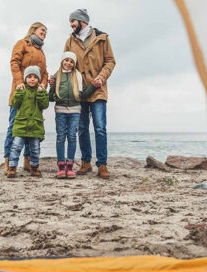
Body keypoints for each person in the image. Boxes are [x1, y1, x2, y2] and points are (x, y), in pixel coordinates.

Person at [63, 9, 116, 179]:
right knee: (82, 128)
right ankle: (86, 162)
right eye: (70, 21)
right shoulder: (70, 41)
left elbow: (110, 61)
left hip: (98, 90)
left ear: (82, 21)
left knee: (100, 128)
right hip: (79, 91)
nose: (71, 24)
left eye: (73, 21)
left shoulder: (102, 38)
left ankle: (102, 164)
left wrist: (101, 77)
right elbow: (65, 63)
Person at [5, 22, 48, 175]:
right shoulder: (22, 44)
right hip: (20, 93)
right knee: (14, 128)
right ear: (33, 30)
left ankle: (28, 162)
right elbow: (14, 63)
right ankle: (8, 163)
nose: (44, 33)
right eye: (42, 30)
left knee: (32, 131)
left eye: (46, 32)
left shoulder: (41, 51)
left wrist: (43, 86)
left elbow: (45, 74)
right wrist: (19, 83)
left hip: (35, 98)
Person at [48, 52, 97, 179]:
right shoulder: (56, 76)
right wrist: (51, 86)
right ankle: (60, 166)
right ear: (62, 61)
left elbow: (83, 94)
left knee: (72, 137)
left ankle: (69, 166)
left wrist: (93, 86)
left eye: (71, 61)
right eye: (66, 60)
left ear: (74, 64)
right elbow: (50, 98)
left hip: (75, 111)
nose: (68, 63)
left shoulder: (78, 76)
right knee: (60, 137)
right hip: (60, 111)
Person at [7, 66, 49, 178]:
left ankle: (34, 168)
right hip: (21, 125)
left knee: (35, 149)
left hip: (35, 126)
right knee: (16, 147)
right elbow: (15, 104)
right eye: (29, 77)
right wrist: (18, 92)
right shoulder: (21, 90)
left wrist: (41, 93)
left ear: (39, 79)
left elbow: (45, 105)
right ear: (25, 78)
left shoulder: (41, 91)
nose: (32, 79)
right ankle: (12, 168)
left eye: (35, 77)